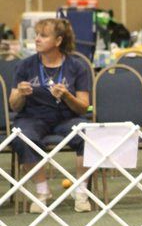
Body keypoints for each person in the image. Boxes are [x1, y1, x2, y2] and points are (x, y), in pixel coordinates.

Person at [9, 19, 92, 213]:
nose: (37, 39)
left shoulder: (76, 67)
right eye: (36, 35)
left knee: (87, 134)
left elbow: (83, 107)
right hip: (32, 117)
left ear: (58, 41)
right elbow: (14, 105)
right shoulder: (25, 66)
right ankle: (42, 191)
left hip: (67, 117)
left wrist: (66, 95)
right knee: (22, 136)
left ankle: (81, 192)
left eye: (43, 35)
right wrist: (20, 93)